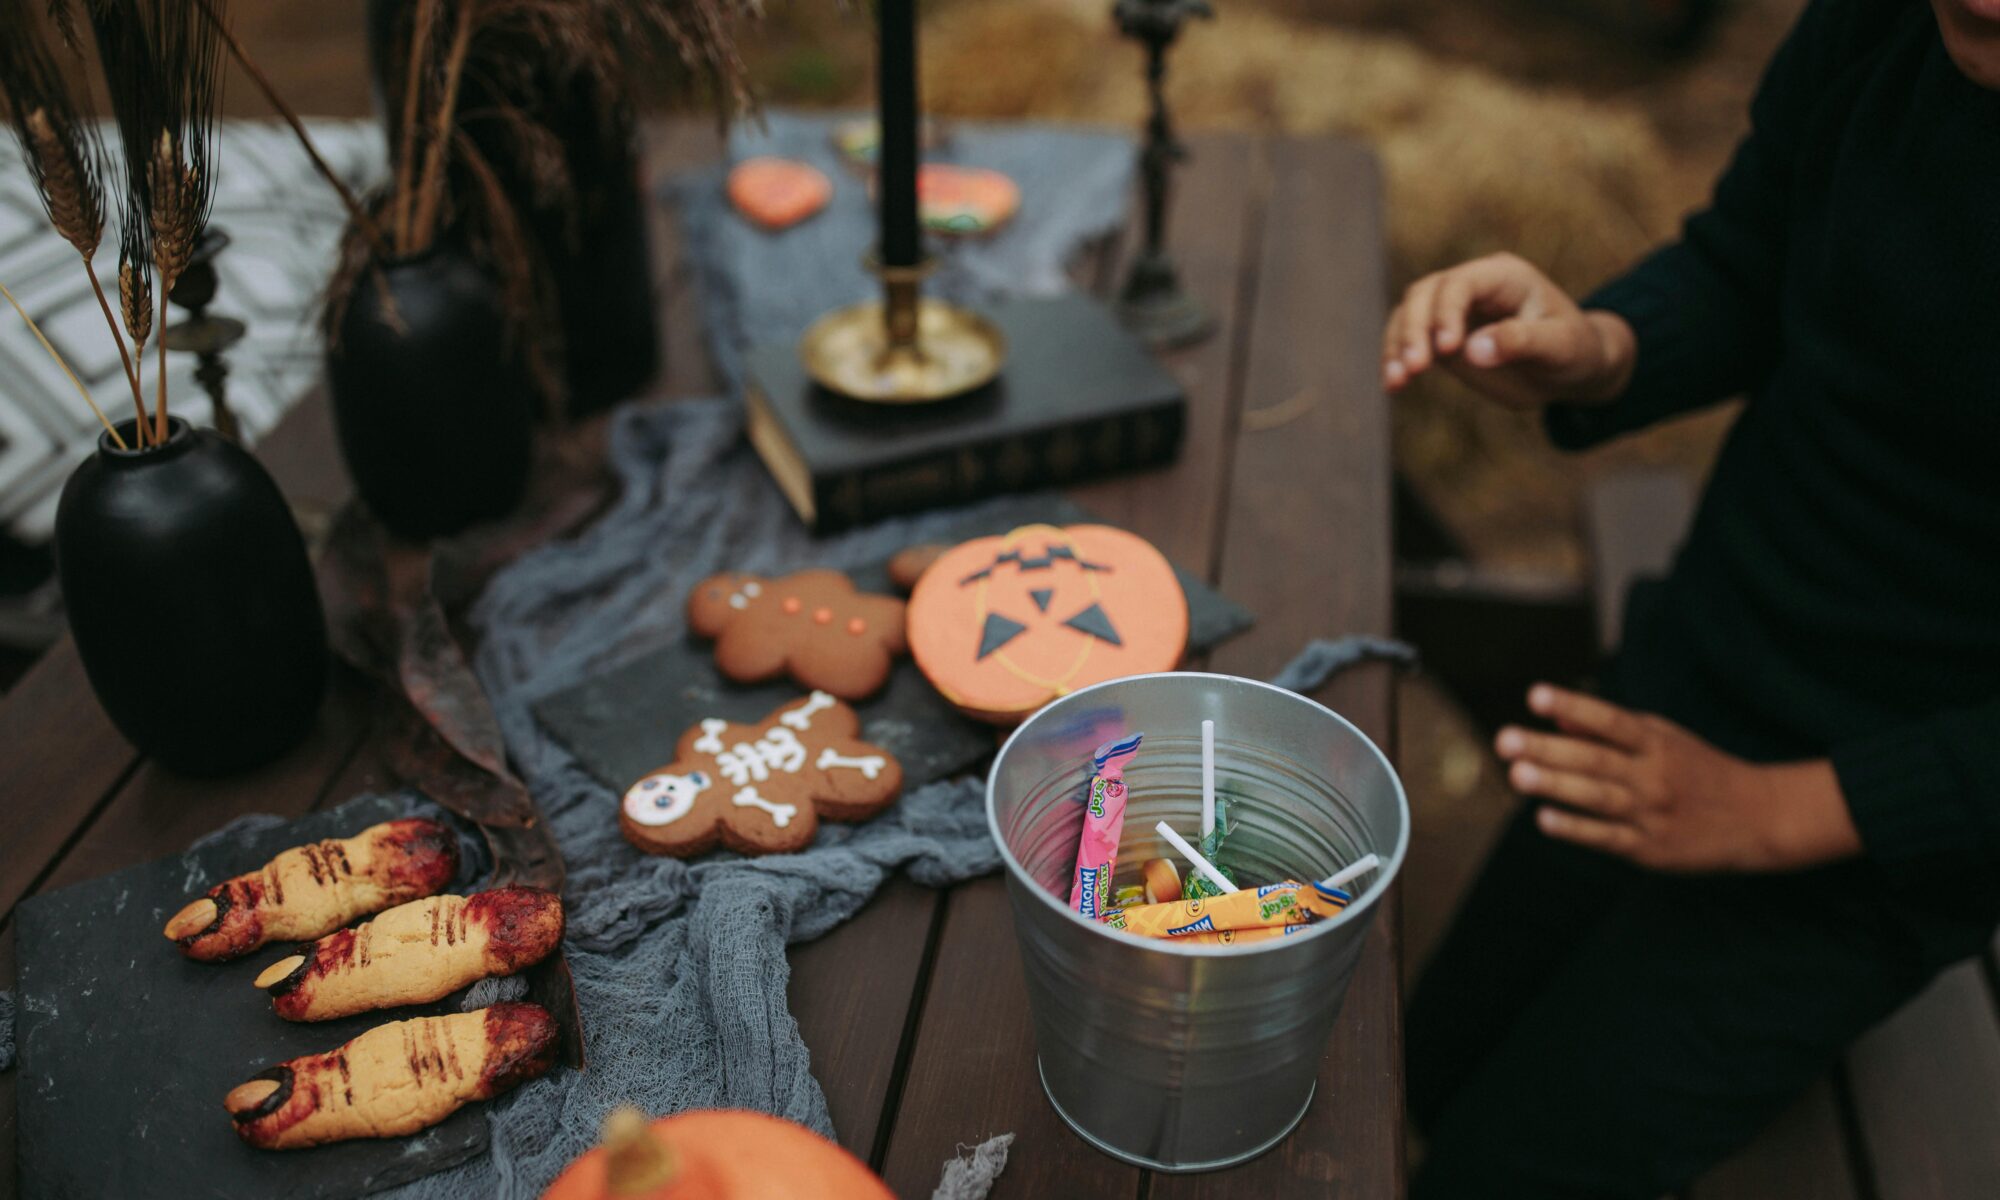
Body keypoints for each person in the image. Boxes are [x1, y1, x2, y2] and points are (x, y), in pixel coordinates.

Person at [1384, 0, 2000, 1195]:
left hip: (1888, 832)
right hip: (1697, 666)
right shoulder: (1879, 30)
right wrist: (1599, 343)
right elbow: (1747, 260)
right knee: (1424, 1061)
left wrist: (1775, 812)